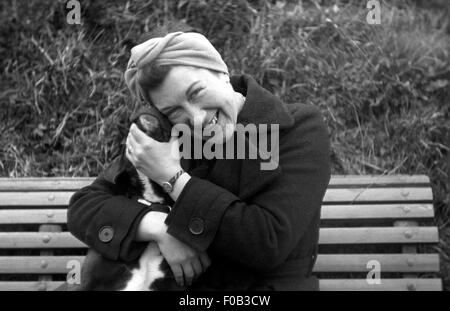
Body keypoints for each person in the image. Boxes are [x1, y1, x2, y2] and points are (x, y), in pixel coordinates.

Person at [67, 29, 331, 291]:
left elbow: (267, 243)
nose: (196, 118)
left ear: (221, 72)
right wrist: (159, 227)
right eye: (173, 111)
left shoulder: (298, 128)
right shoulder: (174, 138)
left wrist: (172, 178)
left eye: (196, 93)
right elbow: (84, 208)